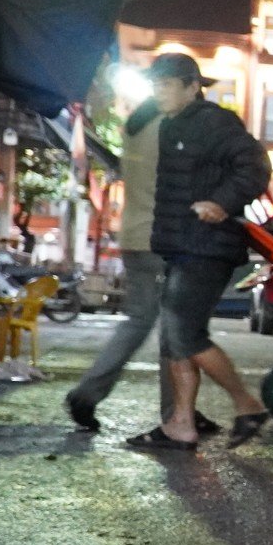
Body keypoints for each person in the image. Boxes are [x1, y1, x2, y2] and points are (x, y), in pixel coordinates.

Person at [124, 52, 271, 452]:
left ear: (193, 87)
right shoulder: (172, 124)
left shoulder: (214, 121)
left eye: (167, 84)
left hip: (208, 246)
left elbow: (255, 167)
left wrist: (221, 202)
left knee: (185, 335)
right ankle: (181, 424)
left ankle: (247, 403)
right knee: (174, 339)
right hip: (181, 245)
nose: (159, 91)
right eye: (156, 84)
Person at [64, 84, 217, 435]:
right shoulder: (173, 128)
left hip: (135, 236)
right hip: (164, 239)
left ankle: (89, 393)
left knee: (141, 320)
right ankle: (176, 412)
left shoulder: (137, 126)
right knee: (175, 328)